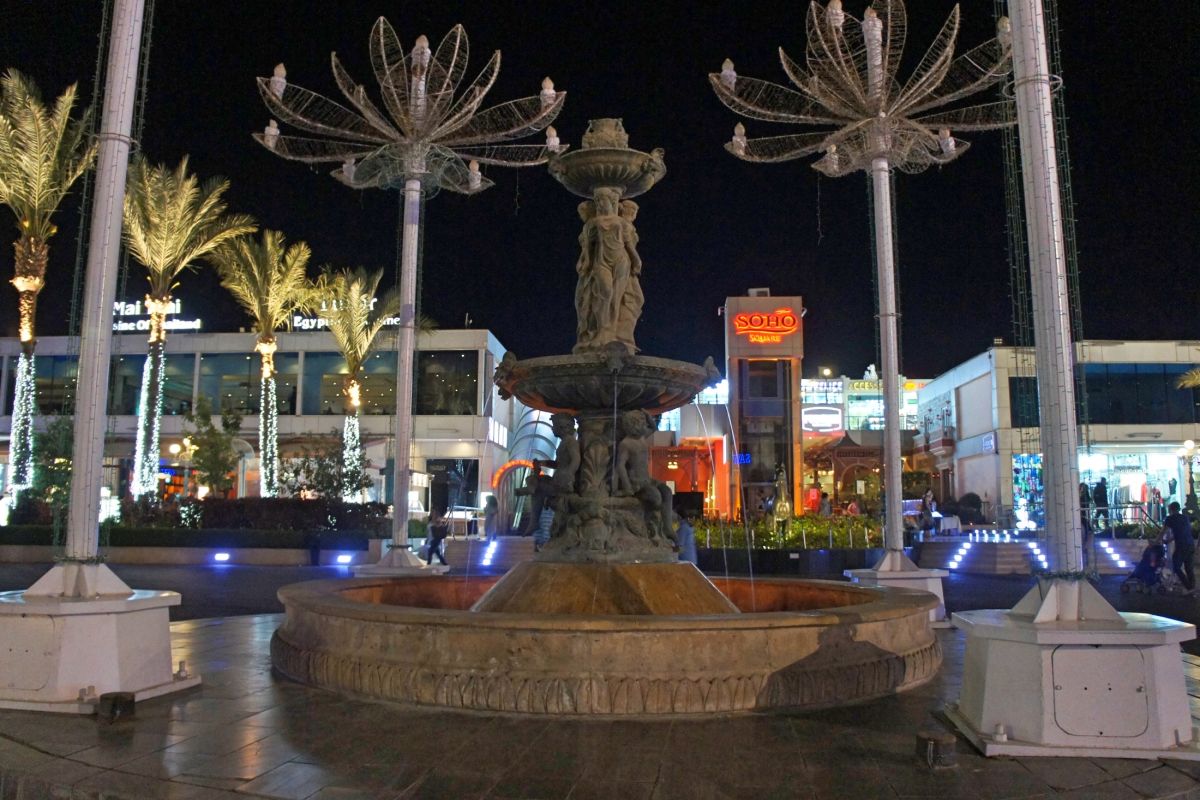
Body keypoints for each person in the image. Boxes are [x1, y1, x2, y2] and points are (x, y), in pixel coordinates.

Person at [1162, 501, 1195, 593]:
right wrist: (1169, 540)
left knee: (1176, 566)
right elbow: (1182, 532)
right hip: (1190, 544)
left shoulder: (1170, 519)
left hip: (1181, 546)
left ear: (1170, 510)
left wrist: (1156, 542)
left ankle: (1188, 586)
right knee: (1189, 568)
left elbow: (1162, 532)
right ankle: (1191, 587)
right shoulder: (1185, 517)